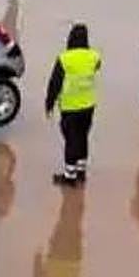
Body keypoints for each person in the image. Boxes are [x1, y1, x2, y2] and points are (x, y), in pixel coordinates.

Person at [45, 24, 102, 186]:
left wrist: (49, 104)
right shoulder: (94, 56)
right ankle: (81, 170)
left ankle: (69, 176)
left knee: (71, 140)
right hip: (88, 105)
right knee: (83, 137)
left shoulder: (64, 58)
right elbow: (97, 67)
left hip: (70, 106)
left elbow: (54, 83)